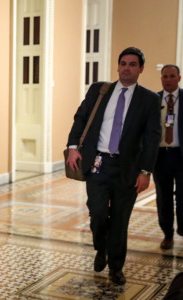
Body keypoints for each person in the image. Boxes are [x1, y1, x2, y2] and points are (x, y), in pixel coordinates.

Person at [66, 47, 161, 285]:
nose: (126, 68)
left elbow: (152, 137)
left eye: (132, 64)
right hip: (98, 163)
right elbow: (81, 118)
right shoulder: (99, 90)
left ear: (140, 69)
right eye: (123, 63)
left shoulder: (149, 99)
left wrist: (146, 172)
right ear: (118, 66)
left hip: (127, 168)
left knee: (120, 219)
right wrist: (72, 146)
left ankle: (116, 267)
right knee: (97, 213)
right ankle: (101, 247)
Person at [153, 64, 183, 250]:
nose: (168, 79)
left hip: (181, 156)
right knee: (163, 197)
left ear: (179, 78)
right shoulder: (153, 100)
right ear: (161, 78)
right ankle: (167, 234)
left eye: (172, 76)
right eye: (165, 76)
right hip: (161, 157)